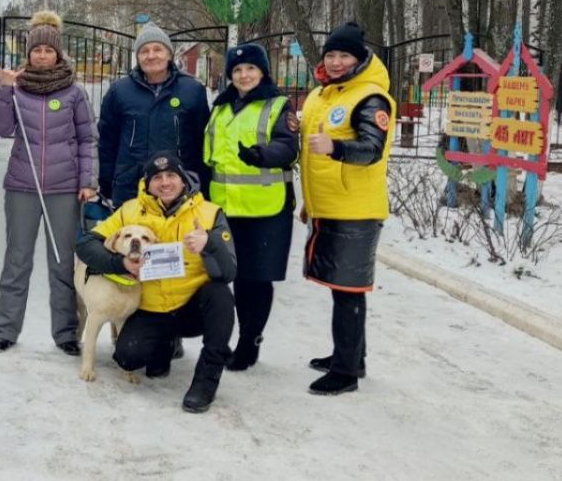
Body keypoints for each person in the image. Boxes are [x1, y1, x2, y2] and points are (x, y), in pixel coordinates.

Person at [75, 152, 237, 413]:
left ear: (183, 180)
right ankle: (165, 345)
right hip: (149, 308)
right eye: (157, 177)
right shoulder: (129, 210)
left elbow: (229, 271)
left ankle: (206, 381)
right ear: (147, 184)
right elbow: (86, 244)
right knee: (128, 358)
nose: (165, 183)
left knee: (221, 296)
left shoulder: (209, 213)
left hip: (190, 306)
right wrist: (121, 264)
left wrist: (210, 244)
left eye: (171, 175)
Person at [0, 11, 96, 356]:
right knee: (17, 259)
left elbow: (86, 140)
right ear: (29, 53)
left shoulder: (75, 93)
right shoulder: (16, 88)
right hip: (23, 185)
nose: (42, 56)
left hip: (64, 189)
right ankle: (6, 329)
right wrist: (5, 90)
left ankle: (65, 332)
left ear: (58, 53)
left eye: (49, 51)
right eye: (37, 51)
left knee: (62, 261)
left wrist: (87, 181)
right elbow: (1, 129)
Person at [299, 21, 394, 396]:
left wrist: (336, 149)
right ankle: (352, 356)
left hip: (355, 208)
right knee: (343, 289)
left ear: (359, 58)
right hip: (328, 205)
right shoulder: (323, 95)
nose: (336, 62)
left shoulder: (370, 97)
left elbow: (372, 149)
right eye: (331, 55)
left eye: (344, 55)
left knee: (348, 291)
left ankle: (346, 371)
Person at [203, 43, 298, 371]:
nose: (244, 75)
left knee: (254, 280)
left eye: (251, 70)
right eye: (238, 70)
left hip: (264, 210)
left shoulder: (278, 105)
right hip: (223, 208)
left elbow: (288, 147)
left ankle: (249, 342)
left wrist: (262, 155)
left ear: (263, 72)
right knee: (218, 276)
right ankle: (219, 339)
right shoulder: (221, 106)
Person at [98, 23, 211, 207]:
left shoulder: (192, 90)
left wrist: (202, 185)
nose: (151, 56)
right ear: (138, 57)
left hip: (179, 188)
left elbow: (202, 142)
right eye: (144, 51)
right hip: (131, 188)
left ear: (169, 54)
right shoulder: (119, 91)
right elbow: (107, 142)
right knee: (136, 237)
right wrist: (106, 183)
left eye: (157, 49)